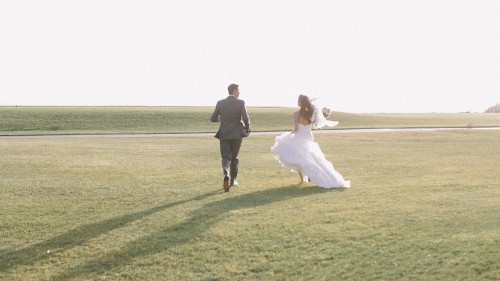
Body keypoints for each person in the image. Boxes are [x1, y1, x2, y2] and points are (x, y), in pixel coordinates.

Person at [271, 95, 350, 188]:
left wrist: (288, 135)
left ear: (301, 102)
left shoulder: (296, 114)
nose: (297, 102)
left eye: (298, 100)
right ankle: (312, 178)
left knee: (299, 157)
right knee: (313, 158)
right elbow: (314, 125)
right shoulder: (310, 113)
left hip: (299, 136)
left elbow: (296, 129)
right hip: (308, 136)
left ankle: (306, 178)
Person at [211, 84, 251, 192]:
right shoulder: (240, 102)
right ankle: (233, 180)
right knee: (234, 157)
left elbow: (213, 118)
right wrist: (247, 129)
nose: (239, 93)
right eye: (238, 90)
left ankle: (226, 173)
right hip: (237, 134)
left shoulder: (220, 103)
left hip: (224, 133)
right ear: (234, 90)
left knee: (225, 157)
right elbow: (246, 119)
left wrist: (223, 118)